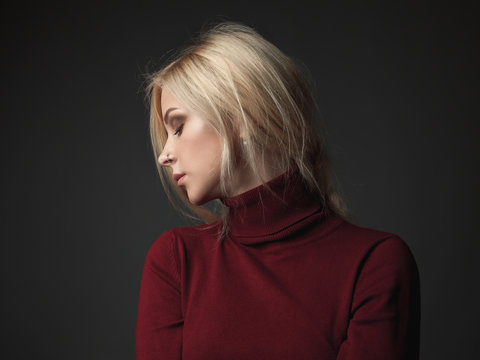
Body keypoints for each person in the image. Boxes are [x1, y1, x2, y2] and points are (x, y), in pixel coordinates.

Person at [136, 22, 421, 360]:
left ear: (243, 117)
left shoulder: (375, 262)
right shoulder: (176, 261)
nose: (164, 154)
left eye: (179, 127)